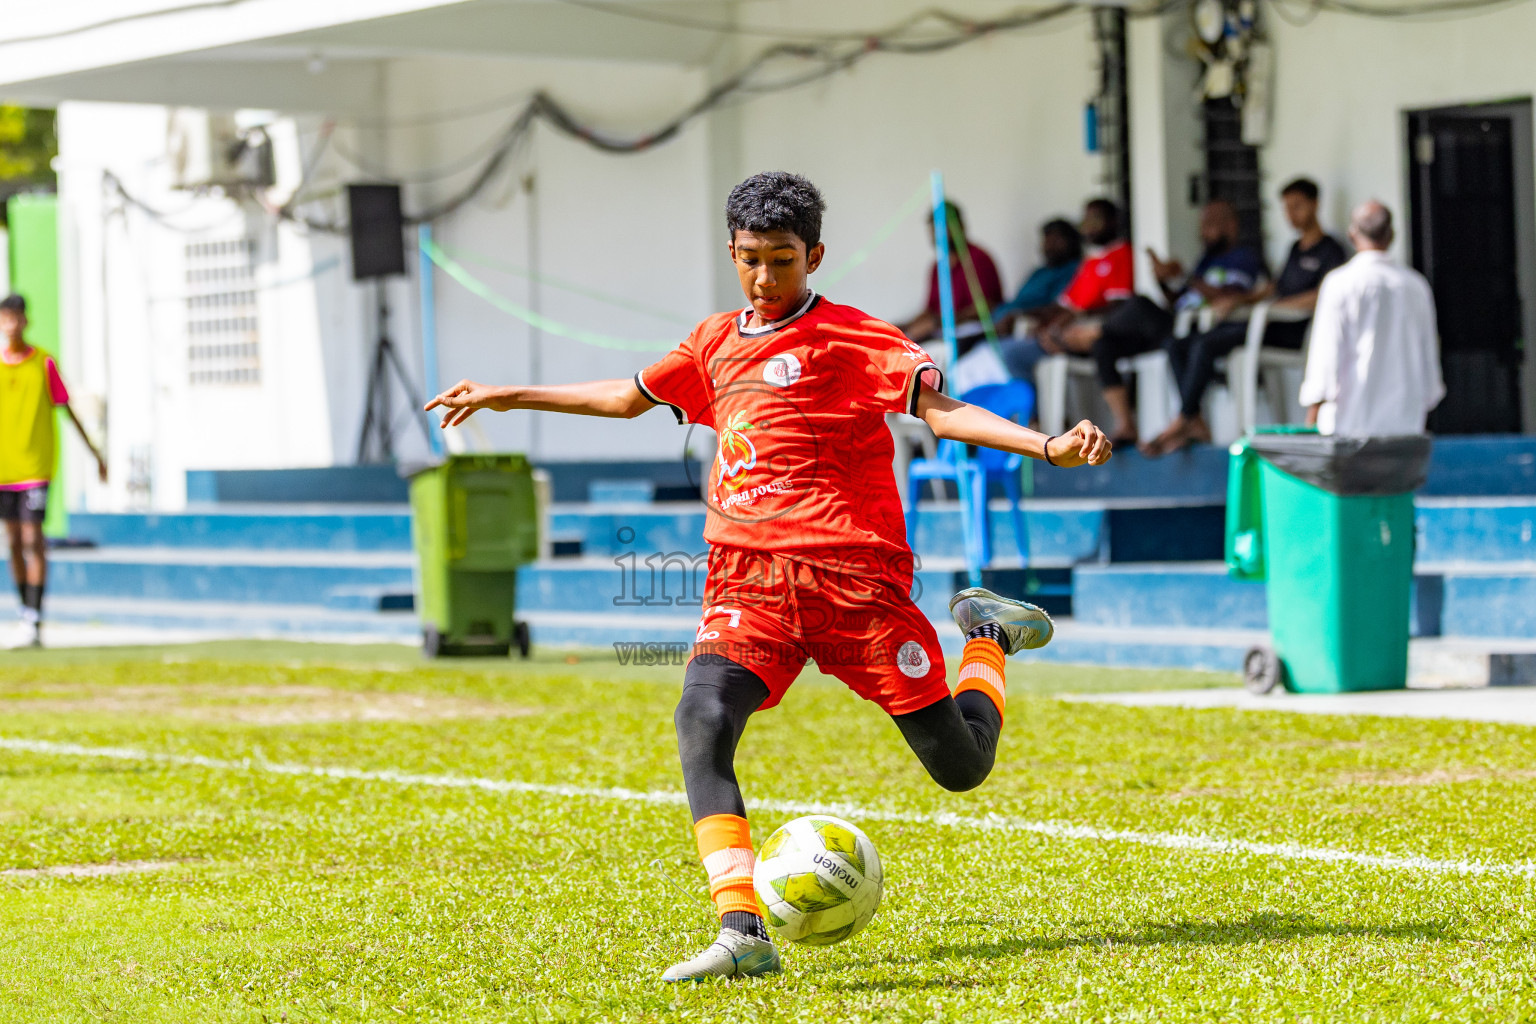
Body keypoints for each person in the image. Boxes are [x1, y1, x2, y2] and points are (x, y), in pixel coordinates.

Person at [426, 172, 1113, 982]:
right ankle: (741, 929)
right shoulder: (714, 342)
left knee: (961, 769)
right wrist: (510, 395)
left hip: (856, 585)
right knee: (701, 718)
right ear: (732, 253)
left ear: (814, 255)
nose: (764, 277)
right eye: (750, 259)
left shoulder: (858, 339)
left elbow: (942, 411)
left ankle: (989, 636)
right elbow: (624, 397)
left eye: (782, 260)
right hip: (748, 583)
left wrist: (1047, 445)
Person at [1142, 178, 1349, 455]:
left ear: (1315, 205)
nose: (1291, 215)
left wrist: (1278, 307)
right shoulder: (1293, 249)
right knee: (1176, 344)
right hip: (1265, 322)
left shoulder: (1330, 250)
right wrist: (1238, 300)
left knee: (1205, 345)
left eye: (1297, 206)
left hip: (1289, 331)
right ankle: (1192, 418)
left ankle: (1183, 419)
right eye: (1286, 208)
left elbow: (1325, 294)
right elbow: (1271, 288)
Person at [1088, 199, 1265, 444]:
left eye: (1211, 224)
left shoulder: (1244, 257)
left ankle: (1094, 330)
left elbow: (1229, 297)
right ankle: (1126, 425)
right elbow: (1179, 301)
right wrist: (1163, 280)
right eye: (1203, 226)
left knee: (1138, 304)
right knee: (1103, 346)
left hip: (1203, 328)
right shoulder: (1206, 260)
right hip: (1177, 324)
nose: (1204, 232)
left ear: (1231, 225)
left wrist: (1185, 277)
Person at [0, 293, 107, 648]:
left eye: (16, 317)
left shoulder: (43, 363)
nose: (11, 324)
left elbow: (66, 408)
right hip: (4, 470)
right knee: (14, 542)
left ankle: (34, 618)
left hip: (35, 468)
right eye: (5, 318)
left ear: (25, 321)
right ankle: (24, 612)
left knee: (34, 539)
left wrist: (94, 452)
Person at [1299, 200, 1445, 436]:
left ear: (1352, 234)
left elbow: (1326, 355)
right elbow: (1428, 350)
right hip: (1404, 425)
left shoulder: (1340, 283)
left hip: (1350, 423)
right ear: (1391, 235)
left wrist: (1313, 411)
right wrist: (1426, 399)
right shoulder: (1415, 286)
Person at [947, 218, 1083, 395]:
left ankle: (1023, 416)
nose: (1049, 246)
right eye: (1046, 240)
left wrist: (1018, 316)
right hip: (999, 327)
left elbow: (1060, 307)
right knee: (960, 356)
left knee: (979, 365)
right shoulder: (1038, 272)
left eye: (1056, 240)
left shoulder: (1074, 270)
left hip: (1026, 331)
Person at [896, 201, 1005, 358]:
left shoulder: (977, 258)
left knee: (922, 357)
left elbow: (986, 307)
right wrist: (904, 326)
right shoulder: (937, 266)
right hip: (941, 331)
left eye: (942, 227)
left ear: (959, 226)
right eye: (933, 229)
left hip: (972, 334)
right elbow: (930, 310)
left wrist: (938, 322)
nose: (936, 234)